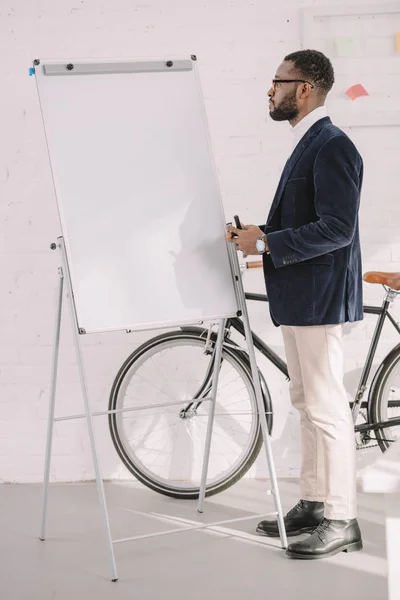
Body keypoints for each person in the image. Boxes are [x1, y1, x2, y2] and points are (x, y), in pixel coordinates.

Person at [226, 49, 364, 560]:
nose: (270, 91)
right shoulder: (310, 142)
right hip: (302, 296)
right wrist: (261, 235)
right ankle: (312, 501)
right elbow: (309, 221)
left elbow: (337, 229)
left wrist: (265, 245)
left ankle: (342, 518)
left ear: (303, 88)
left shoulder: (332, 146)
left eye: (277, 82)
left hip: (319, 300)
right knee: (307, 404)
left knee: (327, 410)